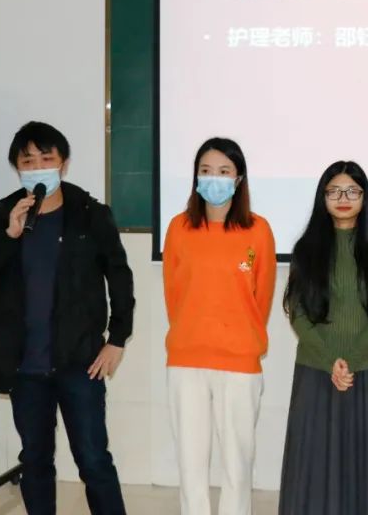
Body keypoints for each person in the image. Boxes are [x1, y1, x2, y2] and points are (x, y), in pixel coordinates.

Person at [0, 121, 134, 515]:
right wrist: (8, 236)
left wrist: (117, 338)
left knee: (94, 460)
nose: (38, 167)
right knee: (35, 461)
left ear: (63, 163)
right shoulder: (2, 215)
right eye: (28, 161)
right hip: (25, 366)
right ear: (17, 168)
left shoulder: (91, 214)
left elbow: (119, 276)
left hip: (80, 361)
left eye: (47, 158)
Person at [279, 161, 368, 514]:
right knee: (314, 464)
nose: (343, 198)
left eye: (352, 191)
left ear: (365, 198)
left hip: (367, 372)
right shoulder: (306, 249)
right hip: (315, 371)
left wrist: (348, 360)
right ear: (323, 198)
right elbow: (299, 315)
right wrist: (330, 360)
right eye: (334, 191)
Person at [162, 137, 276, 515]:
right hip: (186, 361)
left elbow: (261, 298)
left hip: (240, 363)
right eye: (206, 170)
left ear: (238, 179)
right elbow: (173, 294)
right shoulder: (179, 228)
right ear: (196, 177)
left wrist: (240, 335)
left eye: (224, 171)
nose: (215, 178)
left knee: (237, 469)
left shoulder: (258, 230)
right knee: (190, 467)